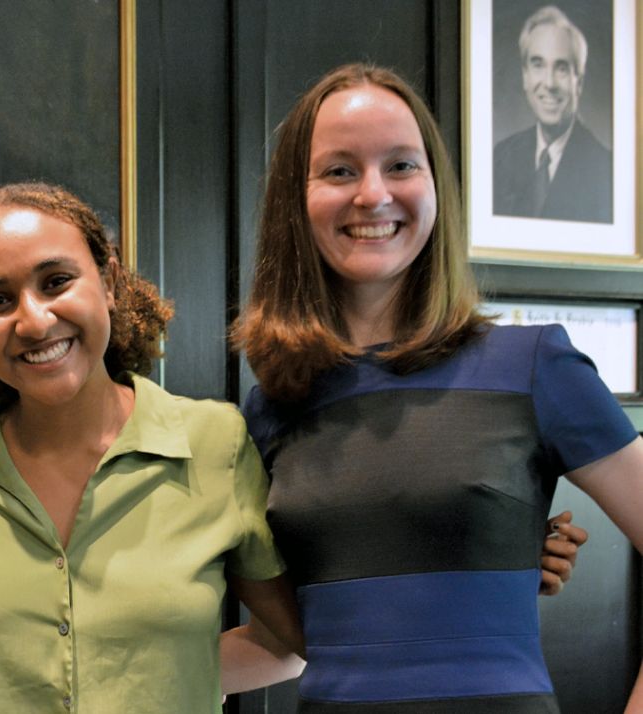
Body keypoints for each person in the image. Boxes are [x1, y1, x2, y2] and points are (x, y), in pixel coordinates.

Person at [229, 62, 643, 710]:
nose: (372, 194)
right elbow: (286, 643)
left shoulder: (535, 366)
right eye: (340, 170)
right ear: (294, 199)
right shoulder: (273, 409)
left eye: (400, 165)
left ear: (435, 187)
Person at [0, 182, 305, 712]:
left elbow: (288, 641)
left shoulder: (215, 444)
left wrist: (172, 676)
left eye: (56, 282)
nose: (33, 321)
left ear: (110, 281)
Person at [493, 5, 612, 223]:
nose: (549, 83)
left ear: (580, 83)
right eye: (538, 65)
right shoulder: (501, 157)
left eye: (562, 68)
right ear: (525, 76)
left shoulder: (606, 170)